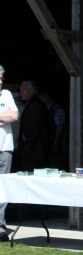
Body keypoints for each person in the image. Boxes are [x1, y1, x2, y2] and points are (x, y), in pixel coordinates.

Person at [0, 65, 19, 242]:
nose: (0, 82)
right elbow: (7, 117)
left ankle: (0, 227)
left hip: (4, 148)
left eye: (1, 78)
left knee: (2, 189)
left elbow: (14, 116)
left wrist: (6, 117)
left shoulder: (6, 95)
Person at [17, 80, 49, 171]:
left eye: (24, 90)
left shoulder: (35, 105)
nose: (21, 92)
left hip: (34, 151)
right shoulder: (32, 104)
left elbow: (35, 127)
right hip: (32, 149)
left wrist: (27, 145)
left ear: (31, 91)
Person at [39, 91, 68, 170]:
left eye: (41, 99)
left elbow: (60, 126)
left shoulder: (57, 109)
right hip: (49, 141)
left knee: (56, 162)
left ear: (46, 98)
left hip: (57, 143)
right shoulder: (46, 109)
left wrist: (56, 142)